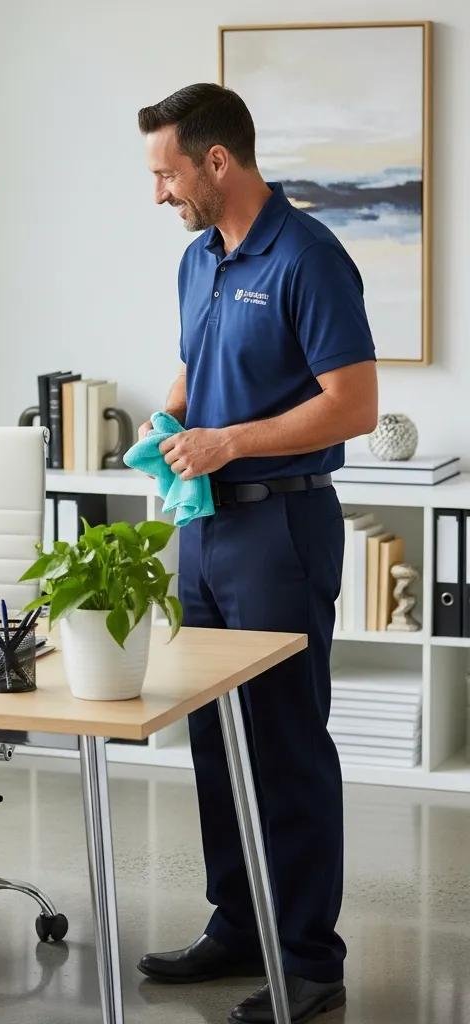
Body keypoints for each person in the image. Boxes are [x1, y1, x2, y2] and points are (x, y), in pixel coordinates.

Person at [134, 84, 378, 1024]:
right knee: (212, 735)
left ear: (216, 163)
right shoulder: (199, 260)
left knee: (282, 742)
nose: (160, 193)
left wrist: (230, 442)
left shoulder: (310, 257)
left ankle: (311, 961)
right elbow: (199, 368)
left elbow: (351, 405)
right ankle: (239, 926)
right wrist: (173, 417)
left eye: (166, 174)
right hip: (204, 529)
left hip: (282, 527)